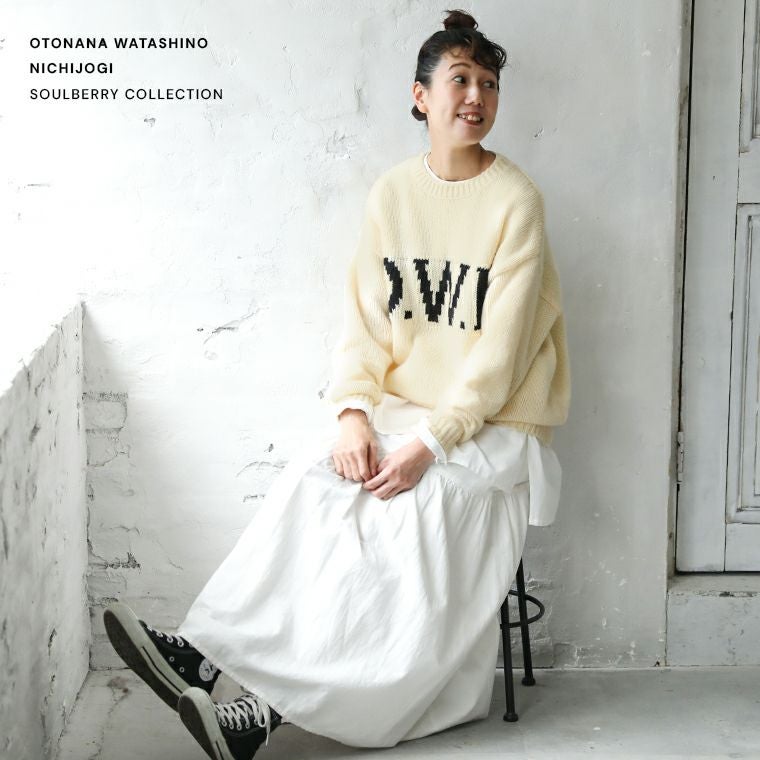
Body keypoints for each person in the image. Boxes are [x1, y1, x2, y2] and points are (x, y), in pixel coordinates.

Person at [103, 8, 571, 760]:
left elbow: (503, 357)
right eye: (460, 80)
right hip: (405, 410)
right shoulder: (393, 195)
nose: (476, 97)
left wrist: (429, 444)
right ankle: (205, 656)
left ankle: (261, 714)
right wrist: (353, 412)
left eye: (488, 84)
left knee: (408, 516)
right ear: (420, 96)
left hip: (494, 426)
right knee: (313, 481)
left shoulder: (517, 202)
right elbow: (365, 324)